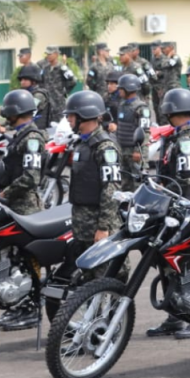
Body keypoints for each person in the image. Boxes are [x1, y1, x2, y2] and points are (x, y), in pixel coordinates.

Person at [147, 88, 190, 340]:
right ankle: (175, 315)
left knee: (188, 263)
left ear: (171, 111)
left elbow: (185, 178)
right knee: (168, 265)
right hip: (176, 209)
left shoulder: (187, 139)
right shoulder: (182, 136)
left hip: (187, 209)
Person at [0, 90, 48, 331]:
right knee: (16, 259)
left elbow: (31, 177)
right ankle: (20, 304)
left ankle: (33, 309)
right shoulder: (21, 135)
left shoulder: (32, 138)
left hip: (26, 209)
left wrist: (4, 194)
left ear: (15, 111)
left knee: (28, 260)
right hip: (13, 208)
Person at [65, 91, 122, 279]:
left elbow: (111, 189)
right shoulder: (83, 143)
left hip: (98, 223)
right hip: (83, 224)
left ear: (85, 115)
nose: (68, 119)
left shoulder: (104, 147)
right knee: (88, 277)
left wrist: (103, 227)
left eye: (71, 115)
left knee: (105, 276)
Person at [112, 74, 151, 192]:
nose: (119, 90)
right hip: (123, 150)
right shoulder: (122, 105)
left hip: (135, 152)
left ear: (128, 89)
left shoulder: (141, 107)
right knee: (124, 184)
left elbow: (145, 131)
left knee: (138, 184)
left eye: (121, 88)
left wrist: (138, 151)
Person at [41, 47, 78, 119]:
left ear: (56, 54)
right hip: (47, 104)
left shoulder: (62, 68)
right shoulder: (45, 68)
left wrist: (64, 91)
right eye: (47, 54)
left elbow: (73, 81)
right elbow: (41, 82)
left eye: (50, 54)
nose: (48, 56)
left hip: (58, 104)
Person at [16, 64, 52, 130]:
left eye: (25, 79)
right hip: (27, 130)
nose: (22, 82)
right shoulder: (25, 94)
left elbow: (27, 112)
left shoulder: (39, 95)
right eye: (21, 79)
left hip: (38, 132)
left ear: (33, 81)